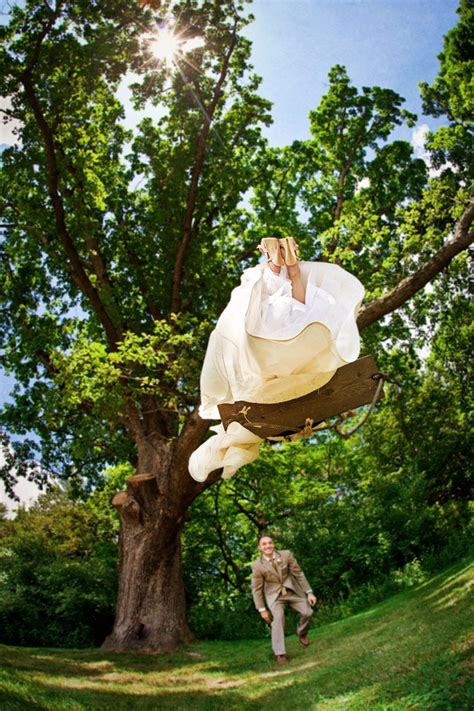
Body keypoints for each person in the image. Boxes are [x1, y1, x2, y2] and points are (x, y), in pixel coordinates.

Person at [189, 236, 365, 482]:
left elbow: (273, 424)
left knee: (272, 341)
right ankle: (285, 268)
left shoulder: (243, 432)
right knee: (274, 324)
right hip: (288, 354)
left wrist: (296, 433)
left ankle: (282, 268)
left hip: (285, 366)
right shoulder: (236, 431)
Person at [251, 534, 317, 664]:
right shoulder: (257, 565)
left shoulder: (286, 555)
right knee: (278, 620)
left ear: (273, 544)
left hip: (292, 591)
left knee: (308, 612)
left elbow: (298, 573)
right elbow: (256, 589)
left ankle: (301, 632)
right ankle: (280, 653)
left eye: (270, 543)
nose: (267, 546)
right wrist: (262, 609)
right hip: (274, 596)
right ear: (259, 547)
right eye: (264, 544)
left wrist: (309, 592)